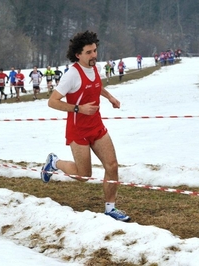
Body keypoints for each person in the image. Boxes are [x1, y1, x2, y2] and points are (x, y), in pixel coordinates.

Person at [41, 30, 130, 222]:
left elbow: (97, 86)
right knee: (84, 175)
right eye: (89, 52)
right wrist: (78, 108)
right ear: (78, 55)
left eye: (95, 51)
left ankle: (110, 209)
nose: (94, 56)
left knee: (112, 165)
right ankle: (54, 163)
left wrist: (110, 97)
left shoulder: (94, 68)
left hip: (96, 126)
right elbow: (52, 101)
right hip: (78, 130)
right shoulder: (71, 75)